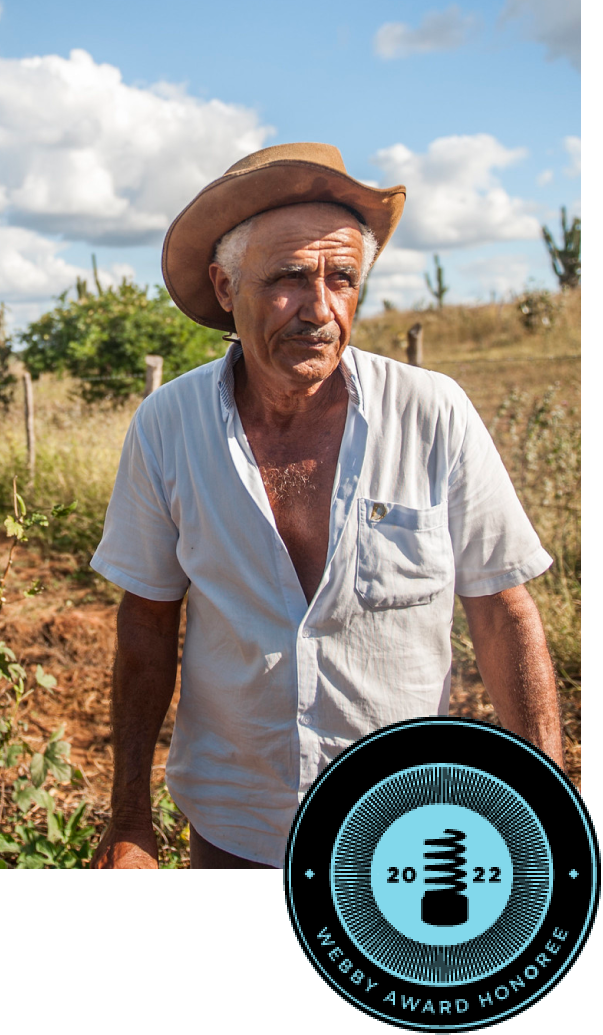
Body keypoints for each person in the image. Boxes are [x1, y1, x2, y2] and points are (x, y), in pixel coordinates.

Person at [89, 143, 562, 870]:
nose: (319, 309)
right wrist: (130, 821)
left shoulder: (431, 413)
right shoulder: (169, 427)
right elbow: (148, 618)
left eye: (342, 278)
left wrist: (545, 806)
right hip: (234, 825)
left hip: (410, 832)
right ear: (224, 286)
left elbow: (503, 611)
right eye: (286, 278)